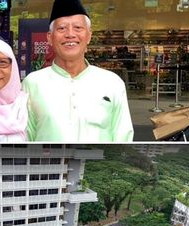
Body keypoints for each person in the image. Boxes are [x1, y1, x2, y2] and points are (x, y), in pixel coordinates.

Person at [22, 0, 134, 142]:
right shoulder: (32, 83)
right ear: (49, 37)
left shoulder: (112, 83)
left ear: (88, 36)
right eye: (62, 28)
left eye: (78, 28)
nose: (70, 34)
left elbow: (122, 138)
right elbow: (26, 136)